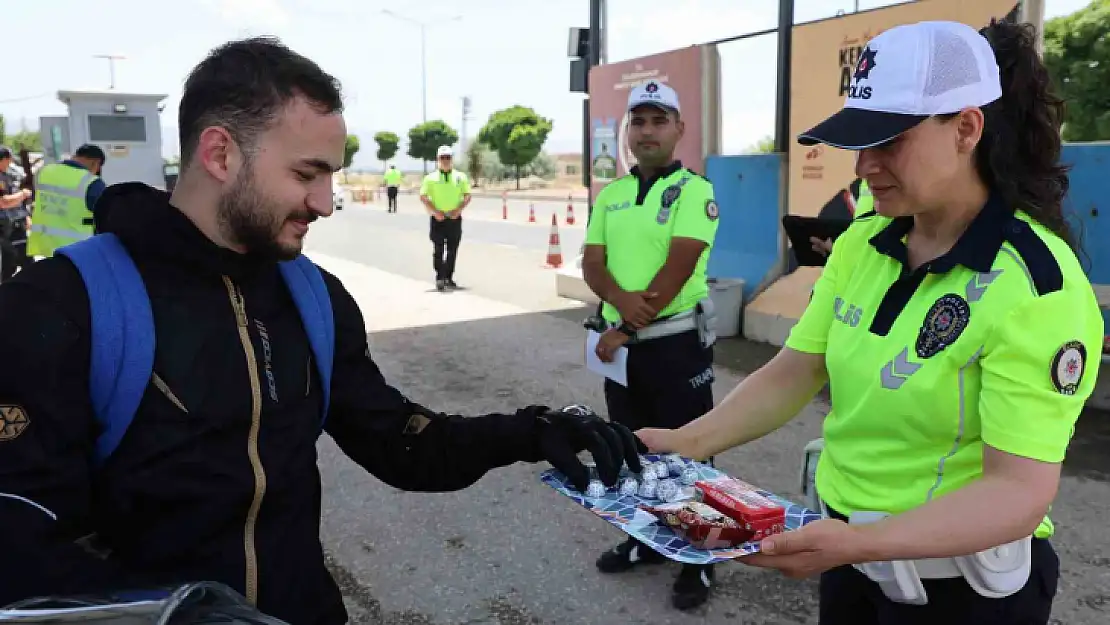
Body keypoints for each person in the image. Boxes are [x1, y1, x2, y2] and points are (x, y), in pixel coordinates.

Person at [0, 37, 642, 625]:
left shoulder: (312, 296)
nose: (326, 203)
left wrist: (532, 430)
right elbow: (20, 542)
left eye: (331, 175)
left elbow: (402, 444)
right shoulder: (61, 305)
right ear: (220, 152)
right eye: (306, 174)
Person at [635, 19, 1103, 625]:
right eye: (859, 140)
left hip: (963, 593)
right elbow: (797, 370)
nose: (863, 166)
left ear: (966, 127)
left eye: (888, 141)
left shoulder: (1037, 286)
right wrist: (684, 443)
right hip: (852, 566)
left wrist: (861, 543)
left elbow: (1017, 492)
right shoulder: (866, 239)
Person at [582, 79, 721, 611]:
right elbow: (593, 262)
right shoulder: (612, 194)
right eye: (638, 121)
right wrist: (617, 310)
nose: (646, 130)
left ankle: (699, 557)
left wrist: (626, 326)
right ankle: (647, 538)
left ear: (679, 129)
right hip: (623, 347)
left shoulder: (695, 191)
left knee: (688, 449)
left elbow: (678, 266)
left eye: (658, 120)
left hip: (676, 344)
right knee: (633, 445)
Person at [26, 143, 107, 259]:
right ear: (96, 163)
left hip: (45, 247)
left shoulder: (44, 172)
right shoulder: (91, 182)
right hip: (77, 250)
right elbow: (106, 215)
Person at [419, 145, 470, 291]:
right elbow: (423, 196)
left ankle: (448, 277)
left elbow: (467, 195)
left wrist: (459, 209)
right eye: (443, 158)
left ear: (452, 159)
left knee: (452, 250)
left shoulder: (460, 177)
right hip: (438, 219)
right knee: (439, 249)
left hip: (454, 218)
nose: (445, 160)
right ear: (437, 159)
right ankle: (440, 277)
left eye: (448, 157)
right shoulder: (430, 178)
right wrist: (435, 212)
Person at [0, 146, 33, 281]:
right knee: (13, 265)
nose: (10, 162)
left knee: (19, 264)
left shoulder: (7, 175)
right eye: (9, 159)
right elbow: (3, 202)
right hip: (6, 228)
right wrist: (23, 194)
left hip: (16, 226)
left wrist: (25, 217)